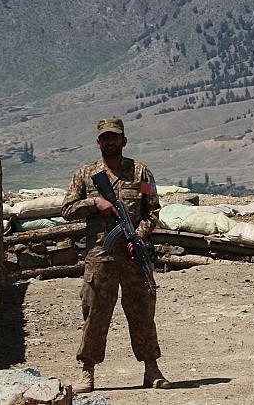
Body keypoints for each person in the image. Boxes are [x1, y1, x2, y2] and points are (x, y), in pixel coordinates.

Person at [62, 117, 170, 393]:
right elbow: (67, 209)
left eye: (115, 137)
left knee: (142, 311)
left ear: (124, 140)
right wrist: (94, 203)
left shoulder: (140, 173)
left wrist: (140, 236)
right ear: (98, 142)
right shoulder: (86, 175)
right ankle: (87, 371)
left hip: (134, 256)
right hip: (101, 256)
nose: (110, 142)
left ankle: (151, 368)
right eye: (105, 138)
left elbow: (152, 209)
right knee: (95, 313)